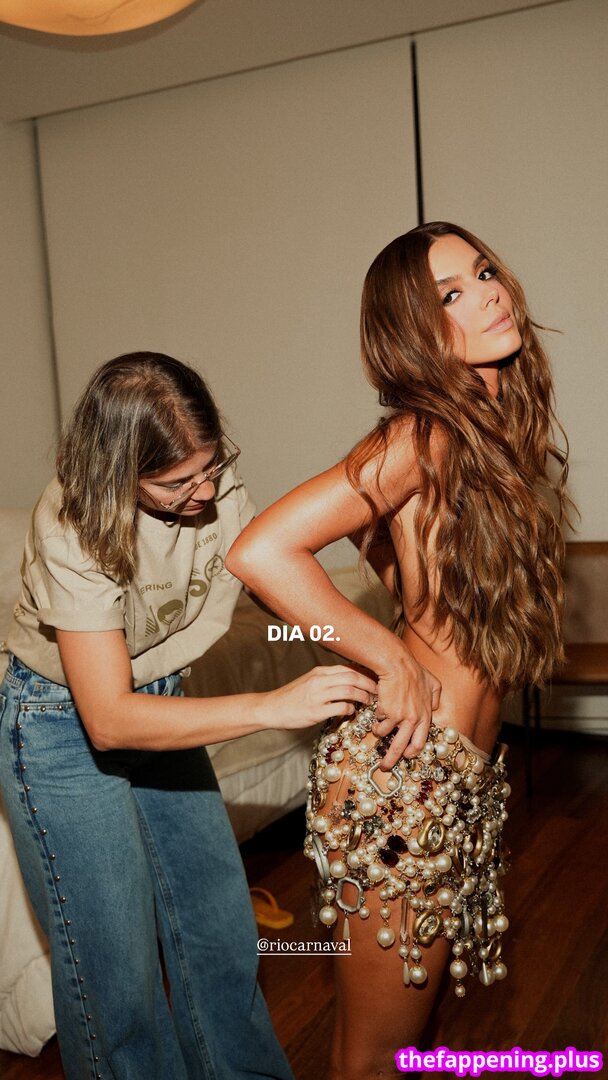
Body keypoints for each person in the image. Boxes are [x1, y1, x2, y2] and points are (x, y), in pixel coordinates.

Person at [226, 223, 569, 1080]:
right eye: (450, 293)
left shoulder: (490, 433)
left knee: (398, 1047)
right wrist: (390, 655)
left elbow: (397, 549)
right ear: (413, 330)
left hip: (458, 778)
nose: (487, 292)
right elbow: (261, 551)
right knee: (375, 1057)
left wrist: (403, 584)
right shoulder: (425, 434)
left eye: (482, 272)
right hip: (403, 782)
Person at [0, 352, 377, 1080]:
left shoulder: (213, 481)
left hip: (160, 699)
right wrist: (274, 705)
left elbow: (270, 585)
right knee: (117, 970)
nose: (205, 492)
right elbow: (108, 720)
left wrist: (356, 646)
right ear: (116, 472)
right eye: (177, 484)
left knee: (218, 926)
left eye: (212, 467)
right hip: (60, 727)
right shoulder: (72, 526)